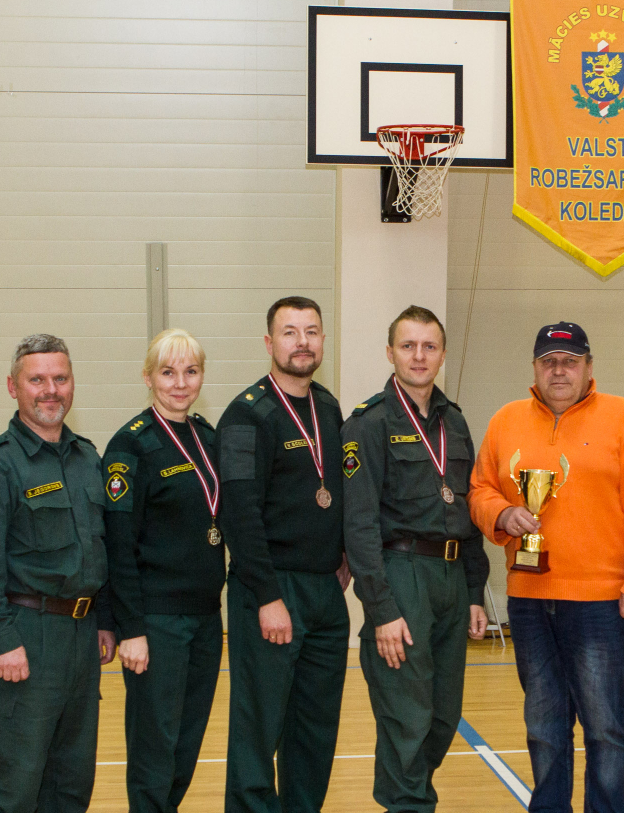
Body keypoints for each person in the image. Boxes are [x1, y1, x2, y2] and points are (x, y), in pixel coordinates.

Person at [469, 321, 624, 813]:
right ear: (535, 368)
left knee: (604, 727)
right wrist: (501, 513)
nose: (558, 371)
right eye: (548, 362)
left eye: (570, 361)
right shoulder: (505, 420)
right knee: (543, 726)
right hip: (529, 601)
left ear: (588, 367)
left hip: (601, 604)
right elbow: (479, 489)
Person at [0, 334, 117, 813]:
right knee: (15, 786)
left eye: (60, 378)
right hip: (24, 636)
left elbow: (99, 551)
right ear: (13, 387)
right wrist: (1, 639)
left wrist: (104, 620)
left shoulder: (87, 458)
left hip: (80, 641)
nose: (51, 390)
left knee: (71, 784)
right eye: (37, 380)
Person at [342, 305, 491, 813]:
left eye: (429, 346)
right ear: (391, 353)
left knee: (442, 717)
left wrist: (475, 592)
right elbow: (359, 525)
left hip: (451, 575)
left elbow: (469, 509)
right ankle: (408, 804)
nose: (419, 356)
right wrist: (381, 609)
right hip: (401, 576)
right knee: (407, 716)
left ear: (443, 354)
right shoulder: (368, 424)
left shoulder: (456, 421)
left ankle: (407, 795)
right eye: (408, 346)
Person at [218, 296, 351, 813]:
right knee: (258, 728)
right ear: (269, 342)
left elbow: (335, 489)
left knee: (314, 730)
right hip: (271, 590)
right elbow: (238, 513)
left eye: (311, 332)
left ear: (323, 341)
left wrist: (342, 551)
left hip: (326, 592)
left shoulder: (329, 407)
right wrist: (267, 595)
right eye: (290, 332)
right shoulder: (245, 415)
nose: (302, 342)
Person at [103, 329, 226, 813]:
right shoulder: (130, 446)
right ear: (148, 377)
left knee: (187, 743)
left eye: (190, 372)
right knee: (155, 747)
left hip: (206, 618)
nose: (180, 383)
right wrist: (131, 629)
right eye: (168, 372)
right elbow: (118, 546)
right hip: (156, 622)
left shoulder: (207, 438)